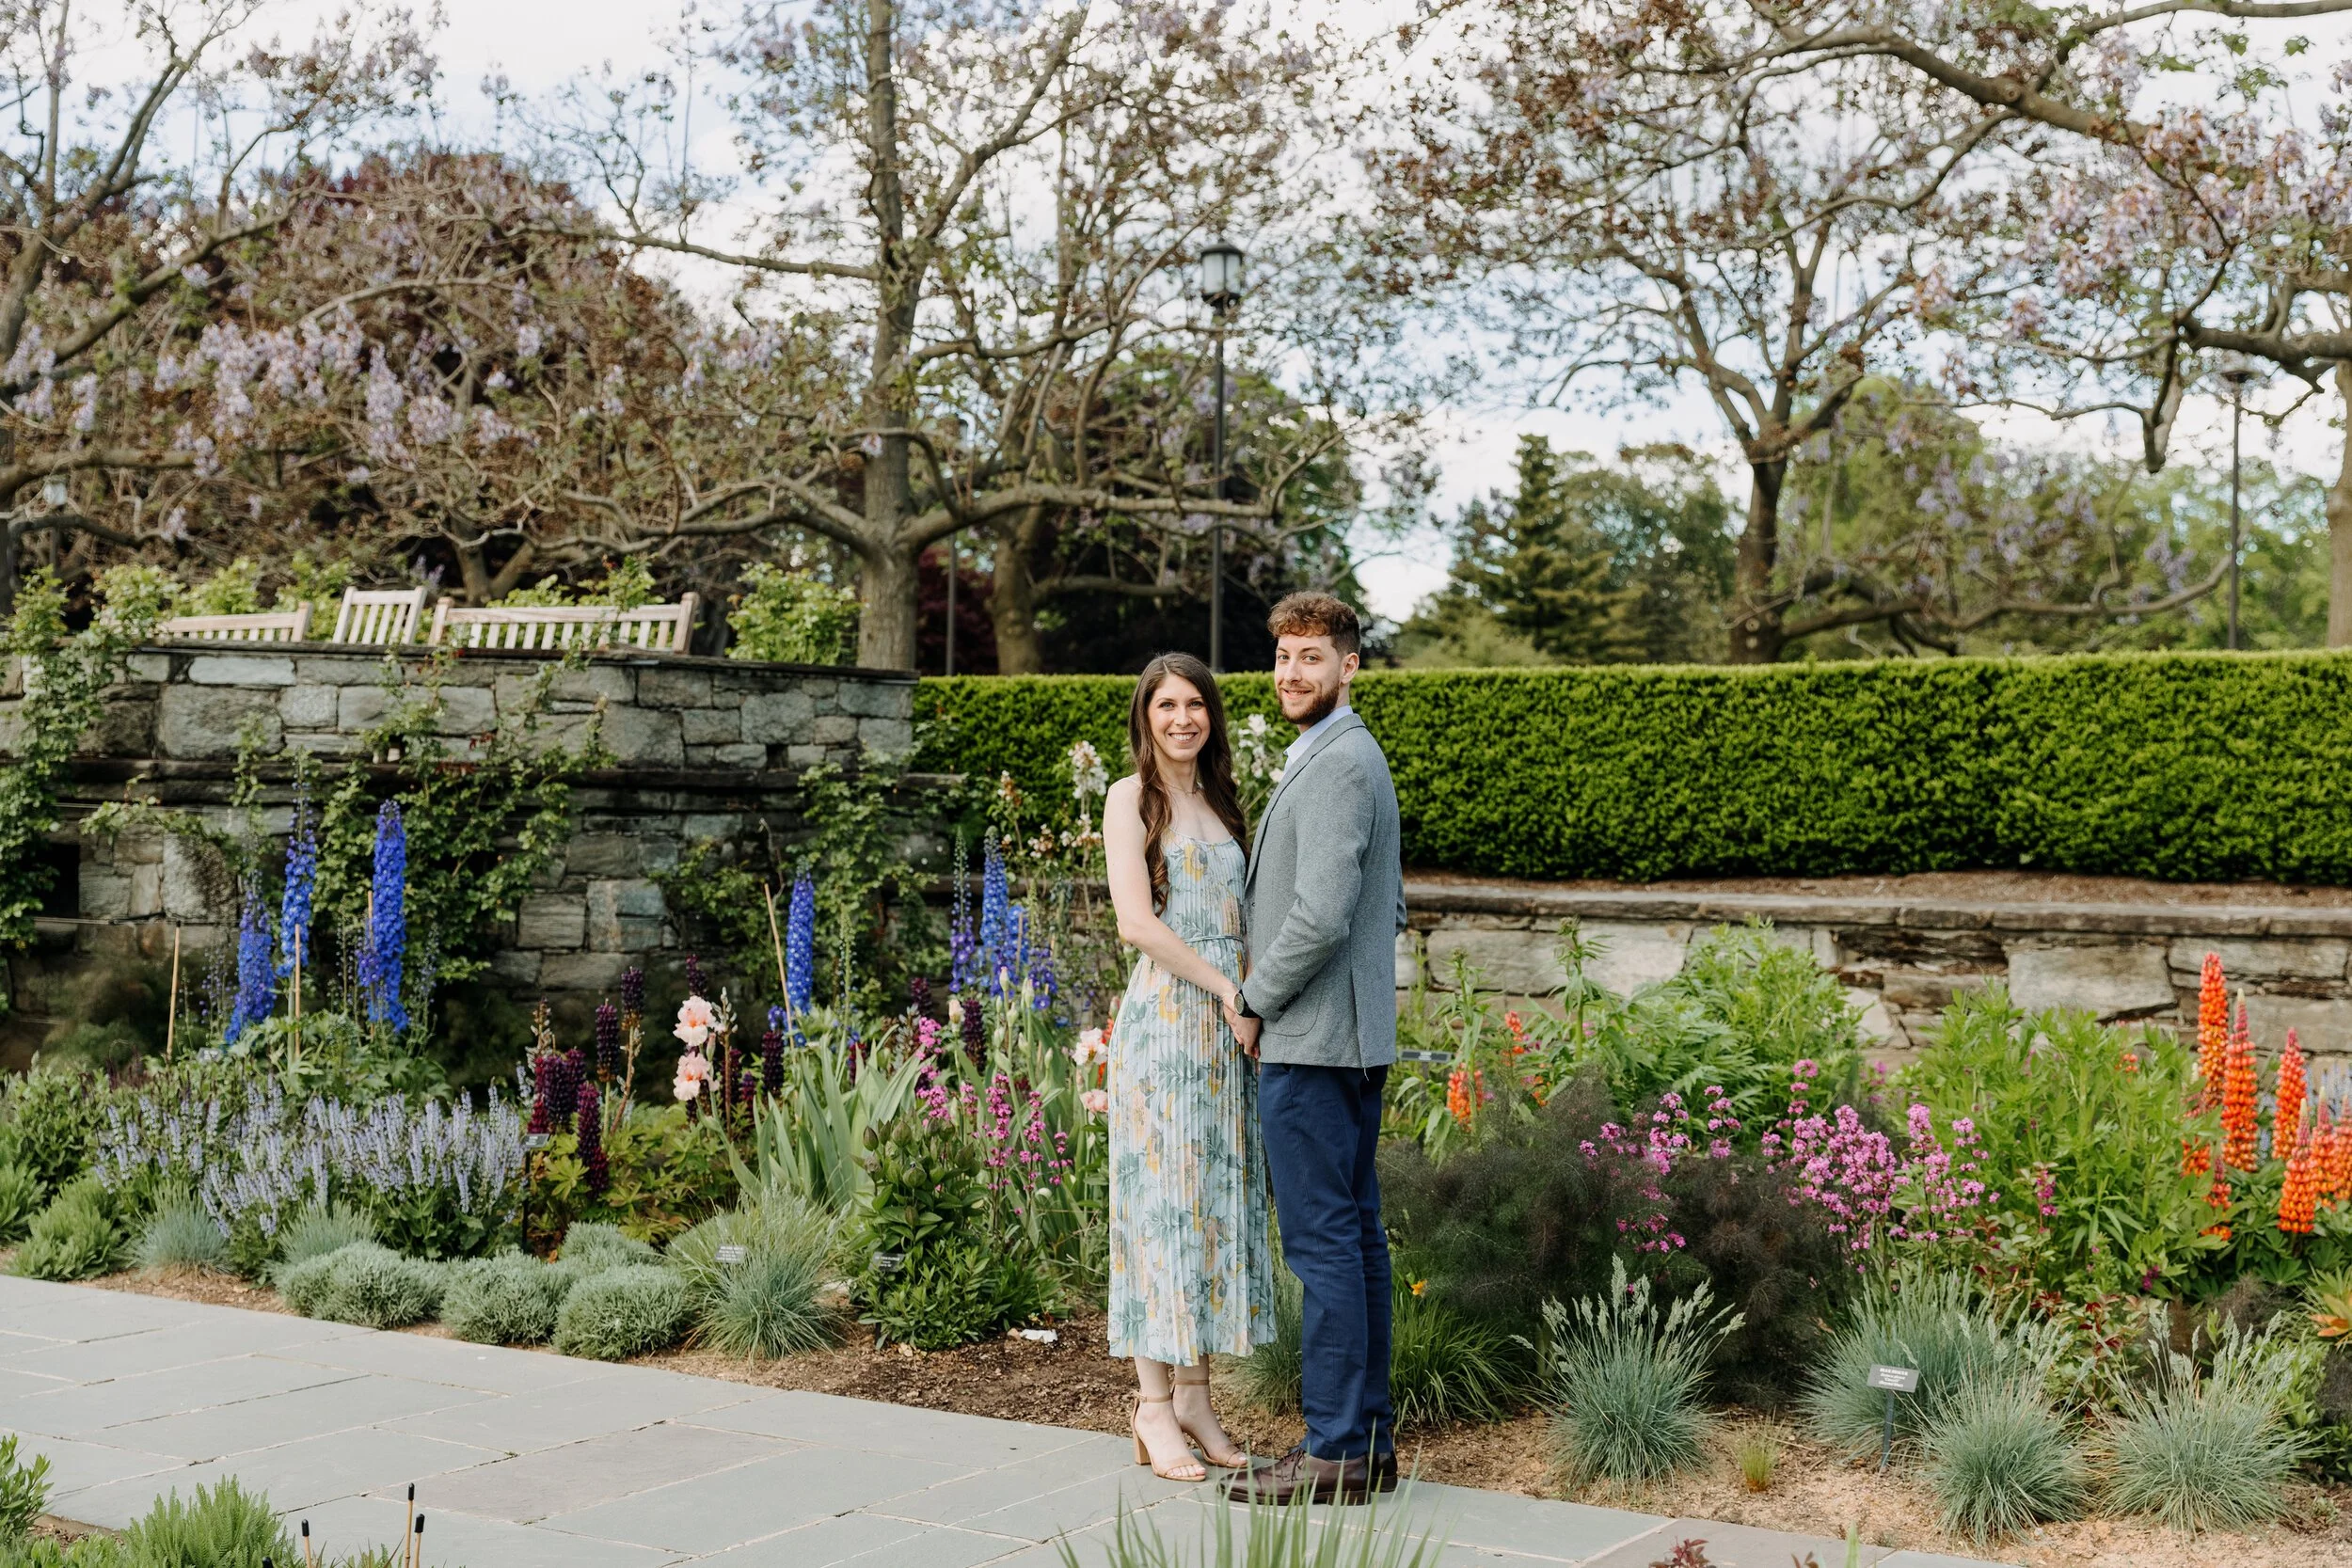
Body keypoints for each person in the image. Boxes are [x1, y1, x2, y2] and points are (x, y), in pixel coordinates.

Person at [1220, 593, 1405, 1505]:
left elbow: (1323, 913)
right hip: (1350, 1040)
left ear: (1349, 665)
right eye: (1285, 656)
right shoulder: (1345, 754)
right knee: (1357, 1241)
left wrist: (1254, 996)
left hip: (1313, 1040)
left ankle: (1333, 1445)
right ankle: (1364, 1440)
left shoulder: (1337, 764)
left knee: (1324, 1246)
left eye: (1312, 657)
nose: (1293, 672)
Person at [1102, 651, 1275, 1482]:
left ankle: (1199, 1396)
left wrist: (1252, 999)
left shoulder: (1221, 801)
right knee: (1160, 1212)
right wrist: (1227, 987)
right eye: (1167, 705)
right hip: (1168, 1028)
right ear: (1147, 714)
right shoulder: (1128, 799)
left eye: (1195, 704)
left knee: (1209, 1209)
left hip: (1227, 1039)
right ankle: (1150, 1408)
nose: (1182, 718)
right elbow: (1138, 924)